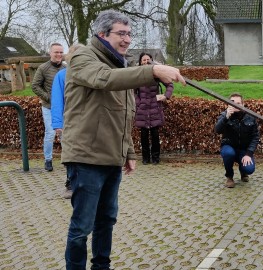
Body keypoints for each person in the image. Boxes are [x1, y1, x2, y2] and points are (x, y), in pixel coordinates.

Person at [61, 10, 185, 270]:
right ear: (102, 34)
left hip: (111, 157)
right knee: (82, 226)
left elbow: (125, 113)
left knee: (106, 219)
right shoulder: (84, 57)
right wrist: (152, 69)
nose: (127, 39)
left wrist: (128, 152)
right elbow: (104, 79)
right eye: (122, 33)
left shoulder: (121, 65)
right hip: (85, 157)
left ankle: (101, 267)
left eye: (129, 34)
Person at [51, 43, 83, 199]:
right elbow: (57, 100)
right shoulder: (62, 76)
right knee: (70, 154)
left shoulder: (91, 74)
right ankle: (70, 182)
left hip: (87, 123)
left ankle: (84, 182)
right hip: (68, 123)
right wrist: (58, 124)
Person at [135, 52, 174, 165]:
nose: (146, 62)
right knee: (143, 135)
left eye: (148, 59)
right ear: (140, 62)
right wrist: (138, 102)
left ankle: (156, 158)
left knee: (155, 134)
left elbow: (170, 85)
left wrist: (165, 96)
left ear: (151, 61)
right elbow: (132, 92)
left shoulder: (157, 75)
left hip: (154, 107)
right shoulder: (137, 75)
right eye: (143, 60)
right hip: (142, 109)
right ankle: (145, 158)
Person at [214, 93, 260, 188]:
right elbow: (217, 130)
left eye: (238, 103)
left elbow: (255, 137)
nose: (236, 105)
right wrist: (226, 117)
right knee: (228, 153)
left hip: (244, 149)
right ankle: (229, 177)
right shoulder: (224, 115)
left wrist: (248, 154)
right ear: (228, 104)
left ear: (243, 104)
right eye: (233, 103)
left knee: (249, 169)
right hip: (229, 147)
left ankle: (243, 172)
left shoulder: (250, 116)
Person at [32, 42, 65, 172]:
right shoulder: (43, 68)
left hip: (64, 107)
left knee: (65, 135)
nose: (59, 54)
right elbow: (35, 86)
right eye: (56, 52)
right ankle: (48, 159)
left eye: (61, 52)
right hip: (49, 106)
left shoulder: (65, 68)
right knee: (50, 133)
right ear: (50, 53)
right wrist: (50, 98)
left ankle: (68, 159)